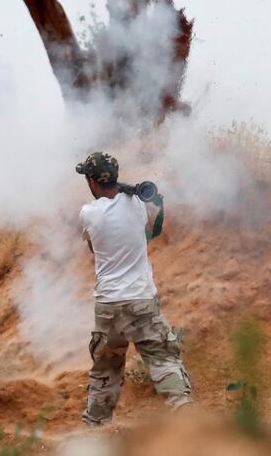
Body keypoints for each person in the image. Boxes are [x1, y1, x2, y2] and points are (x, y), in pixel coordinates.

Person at [76, 151, 191, 426]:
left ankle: (95, 430)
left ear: (92, 181)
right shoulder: (138, 205)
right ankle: (188, 420)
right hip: (141, 300)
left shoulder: (88, 214)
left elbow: (93, 246)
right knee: (164, 360)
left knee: (105, 373)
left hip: (108, 306)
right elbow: (150, 232)